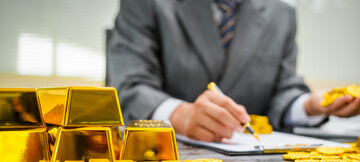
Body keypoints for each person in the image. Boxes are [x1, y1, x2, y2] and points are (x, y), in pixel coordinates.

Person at [108, 0, 360, 142]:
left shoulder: (282, 14)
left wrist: (310, 106)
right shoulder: (146, 4)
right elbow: (129, 86)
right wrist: (180, 116)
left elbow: (282, 91)